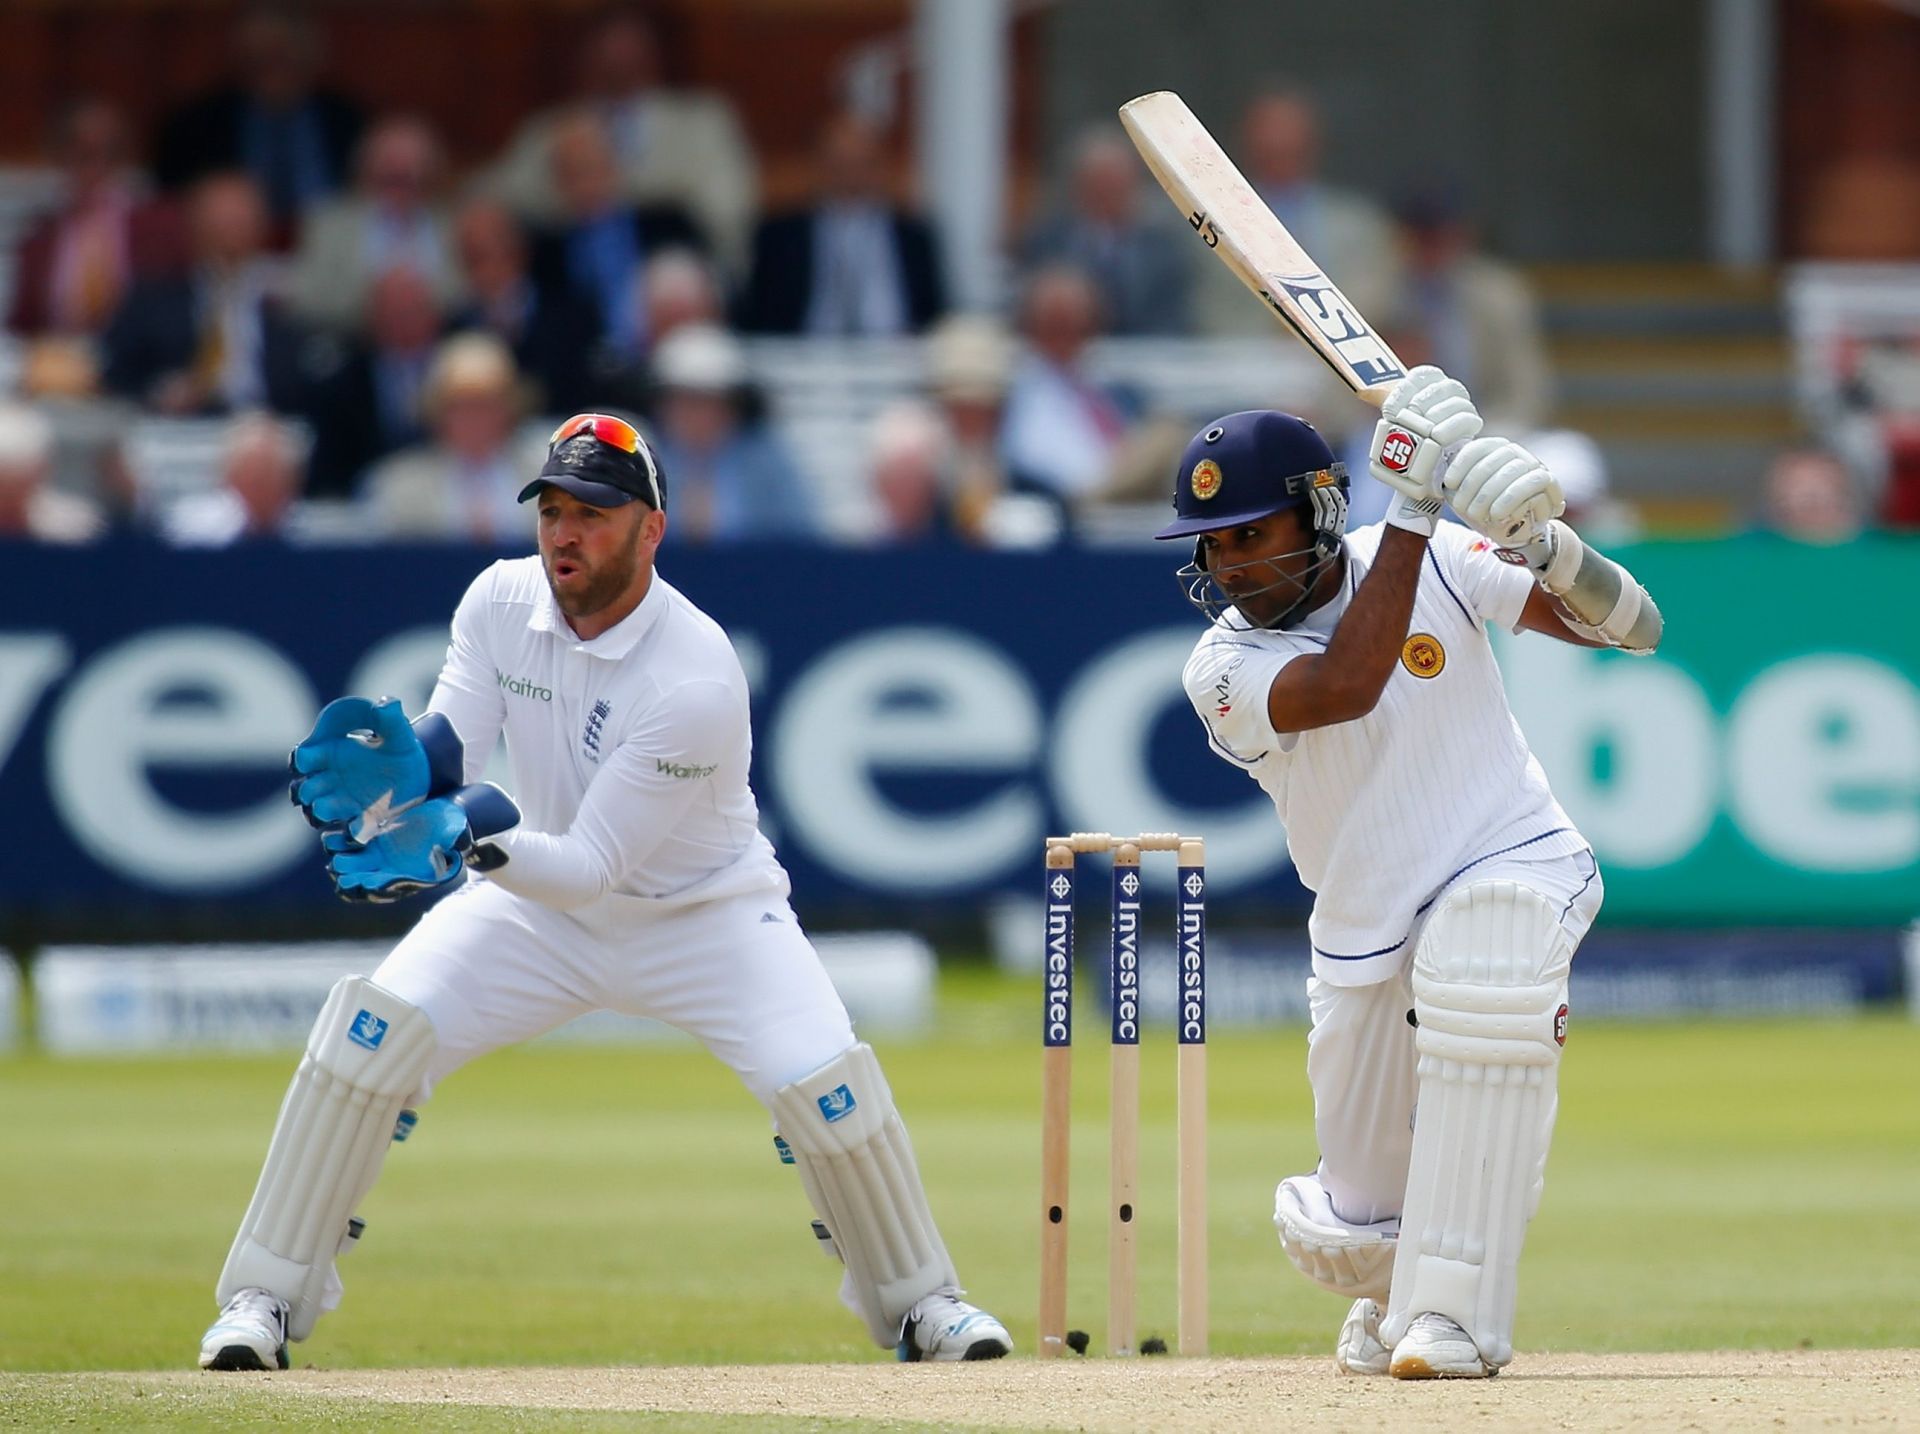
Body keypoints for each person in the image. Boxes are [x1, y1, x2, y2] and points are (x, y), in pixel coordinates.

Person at [196, 411, 1012, 1371]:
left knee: (828, 1088)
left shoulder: (695, 674)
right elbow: (452, 745)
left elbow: (591, 867)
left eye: (593, 511)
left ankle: (925, 1307)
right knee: (369, 1034)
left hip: (707, 916)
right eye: (551, 508)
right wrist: (411, 772)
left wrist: (469, 833)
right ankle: (263, 1300)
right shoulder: (499, 601)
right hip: (531, 917)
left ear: (650, 530)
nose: (564, 532)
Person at [1155, 367, 1663, 1378]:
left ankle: (1455, 1318)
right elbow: (1347, 684)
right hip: (1361, 926)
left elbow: (1635, 628)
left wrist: (1542, 543)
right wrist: (1418, 509)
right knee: (1358, 1224)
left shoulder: (1431, 555)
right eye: (1213, 544)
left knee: (1488, 971)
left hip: (1508, 852)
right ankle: (1398, 1294)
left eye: (1249, 534)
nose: (1229, 565)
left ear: (1319, 511)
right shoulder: (1219, 668)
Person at [152, 2, 363, 232]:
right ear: (241, 56)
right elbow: (171, 207)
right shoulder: (194, 127)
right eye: (261, 58)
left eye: (283, 56)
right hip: (229, 257)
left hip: (330, 256)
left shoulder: (349, 123)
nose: (273, 71)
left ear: (312, 55)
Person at [738, 112, 945, 337]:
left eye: (861, 161)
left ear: (879, 164)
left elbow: (937, 316)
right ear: (818, 163)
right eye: (839, 161)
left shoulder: (914, 235)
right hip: (803, 357)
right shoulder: (779, 235)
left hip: (897, 356)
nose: (850, 173)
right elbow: (757, 317)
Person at [287, 114, 461, 333]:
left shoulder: (455, 226)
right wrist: (379, 304)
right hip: (352, 353)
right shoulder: (329, 226)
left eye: (410, 167)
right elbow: (304, 300)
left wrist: (419, 306)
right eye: (390, 166)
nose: (400, 172)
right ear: (368, 167)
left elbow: (467, 296)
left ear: (430, 171)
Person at [360, 333, 541, 543]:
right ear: (438, 413)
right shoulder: (397, 487)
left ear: (508, 409)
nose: (474, 419)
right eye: (461, 407)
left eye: (485, 405)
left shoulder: (546, 479)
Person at [1019, 126, 1193, 336]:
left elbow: (1173, 321)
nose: (1107, 195)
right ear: (1078, 187)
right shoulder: (1047, 242)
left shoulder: (1163, 250)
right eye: (1099, 186)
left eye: (1116, 186)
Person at [160, 411, 307, 547]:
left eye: (272, 475)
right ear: (229, 477)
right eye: (253, 475)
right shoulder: (193, 528)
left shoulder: (305, 536)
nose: (261, 488)